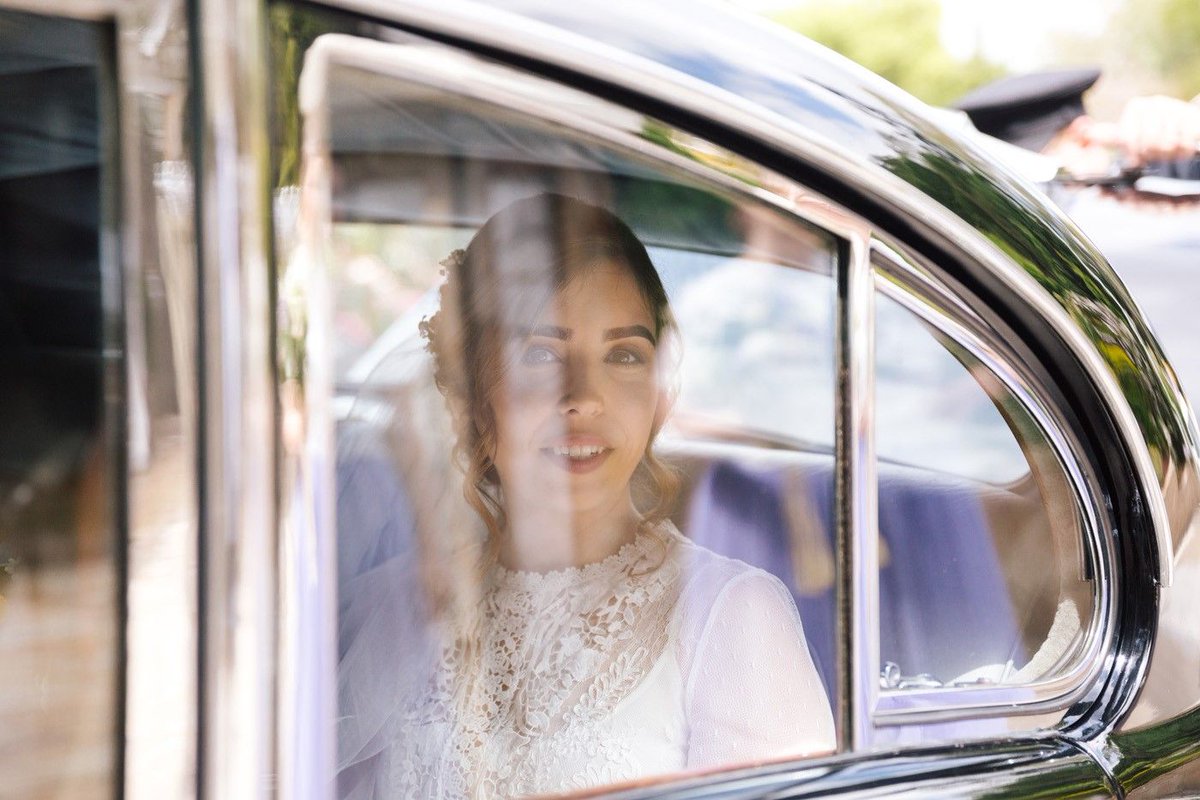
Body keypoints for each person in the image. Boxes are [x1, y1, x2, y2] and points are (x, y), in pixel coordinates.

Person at [337, 193, 834, 799]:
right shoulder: (388, 606)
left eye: (624, 355)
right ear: (472, 387)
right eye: (542, 353)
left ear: (660, 394)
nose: (584, 397)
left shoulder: (725, 616)